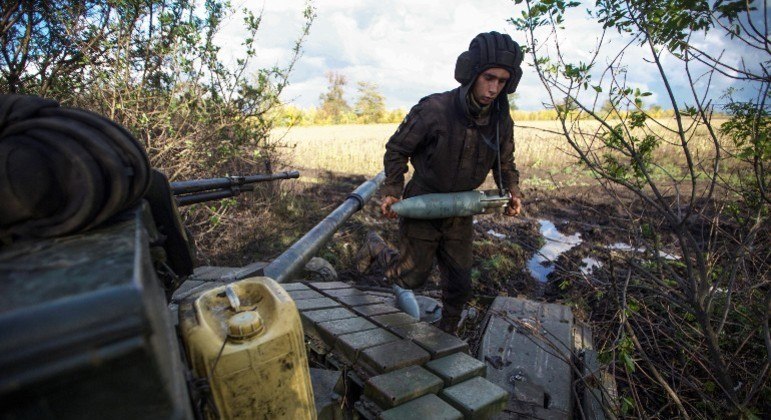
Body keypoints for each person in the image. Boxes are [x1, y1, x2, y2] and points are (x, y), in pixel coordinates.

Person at [371, 31, 525, 334]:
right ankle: (374, 248)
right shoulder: (435, 110)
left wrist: (513, 191)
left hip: (460, 208)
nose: (494, 89)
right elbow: (397, 149)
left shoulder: (500, 120)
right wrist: (392, 189)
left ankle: (448, 333)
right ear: (471, 74)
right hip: (424, 201)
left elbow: (504, 162)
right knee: (411, 278)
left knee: (460, 283)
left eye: (502, 81)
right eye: (488, 78)